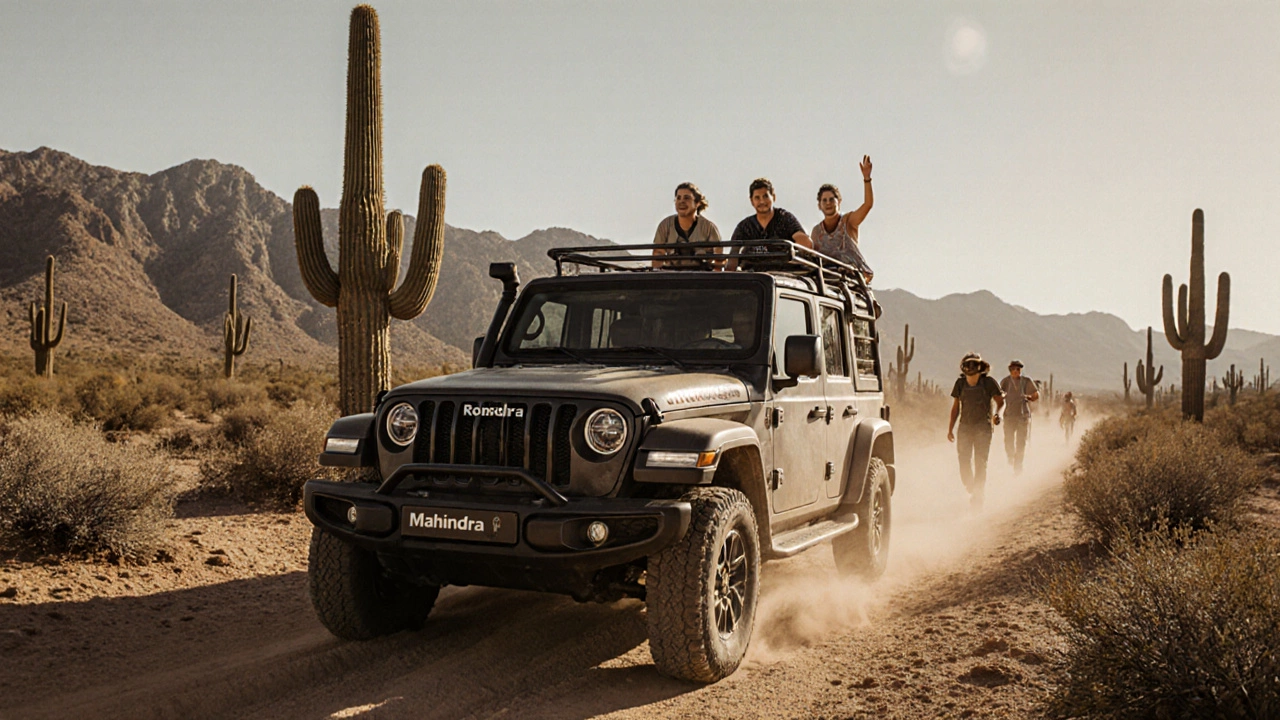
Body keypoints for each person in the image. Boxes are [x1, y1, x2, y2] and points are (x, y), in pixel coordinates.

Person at [948, 353, 1005, 511]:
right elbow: (955, 407)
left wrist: (997, 415)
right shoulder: (960, 384)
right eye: (968, 364)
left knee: (980, 462)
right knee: (964, 461)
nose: (971, 368)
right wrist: (950, 428)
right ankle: (971, 486)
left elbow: (1001, 402)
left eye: (974, 364)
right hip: (965, 427)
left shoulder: (988, 383)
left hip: (983, 427)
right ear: (963, 367)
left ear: (980, 367)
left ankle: (978, 495)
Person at [726, 178, 812, 271]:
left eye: (765, 196)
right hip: (753, 276)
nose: (762, 201)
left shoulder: (785, 218)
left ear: (773, 197)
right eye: (757, 198)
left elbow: (805, 243)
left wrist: (796, 249)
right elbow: (733, 255)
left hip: (783, 275)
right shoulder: (744, 226)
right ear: (751, 201)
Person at [812, 155, 874, 282]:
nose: (828, 203)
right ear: (819, 205)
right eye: (824, 200)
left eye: (831, 199)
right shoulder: (817, 231)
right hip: (828, 279)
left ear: (839, 202)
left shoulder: (848, 221)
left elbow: (868, 205)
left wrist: (867, 179)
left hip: (853, 279)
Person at [652, 182, 722, 270]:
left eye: (687, 198)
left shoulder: (708, 228)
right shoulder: (665, 225)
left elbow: (719, 259)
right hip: (672, 276)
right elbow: (658, 254)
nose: (681, 201)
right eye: (678, 198)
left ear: (697, 203)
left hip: (701, 277)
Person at [999, 359, 1040, 475]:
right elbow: (998, 394)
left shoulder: (1026, 381)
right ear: (1010, 370)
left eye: (1018, 369)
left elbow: (1036, 394)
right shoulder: (1005, 382)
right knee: (1008, 440)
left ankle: (1018, 465)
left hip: (1023, 415)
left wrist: (1031, 397)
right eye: (1014, 369)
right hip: (1009, 415)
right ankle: (1011, 457)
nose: (1016, 371)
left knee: (1021, 442)